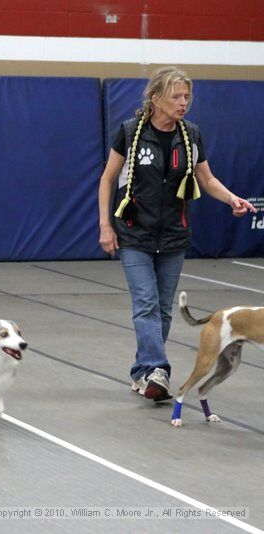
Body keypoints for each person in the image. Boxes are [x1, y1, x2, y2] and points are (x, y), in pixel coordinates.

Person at [97, 66, 256, 402]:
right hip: (134, 234)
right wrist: (105, 225)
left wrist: (232, 199)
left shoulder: (192, 135)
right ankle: (158, 369)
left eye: (187, 96)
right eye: (176, 96)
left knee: (164, 310)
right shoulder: (129, 133)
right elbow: (108, 179)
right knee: (146, 304)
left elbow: (207, 179)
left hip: (173, 235)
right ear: (156, 99)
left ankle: (142, 372)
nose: (184, 102)